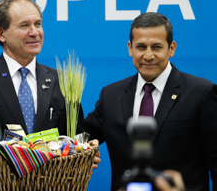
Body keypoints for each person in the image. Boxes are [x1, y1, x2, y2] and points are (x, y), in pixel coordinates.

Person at [0, 0, 100, 191]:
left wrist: (87, 151)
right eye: (24, 26)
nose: (35, 32)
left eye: (38, 24)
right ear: (1, 33)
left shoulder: (63, 81)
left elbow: (76, 138)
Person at [80, 12, 217, 191]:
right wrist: (86, 147)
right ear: (130, 48)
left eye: (157, 47)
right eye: (141, 47)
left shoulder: (201, 93)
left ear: (172, 48)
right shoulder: (111, 95)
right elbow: (80, 137)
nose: (148, 55)